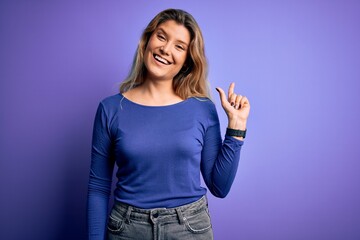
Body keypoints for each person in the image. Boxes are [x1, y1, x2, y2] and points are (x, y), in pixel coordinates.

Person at [87, 8, 250, 240]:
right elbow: (98, 187)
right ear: (147, 41)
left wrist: (236, 127)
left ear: (186, 60)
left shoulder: (202, 108)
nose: (166, 49)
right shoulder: (111, 109)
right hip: (127, 230)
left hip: (189, 228)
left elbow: (219, 187)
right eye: (161, 37)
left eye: (179, 46)